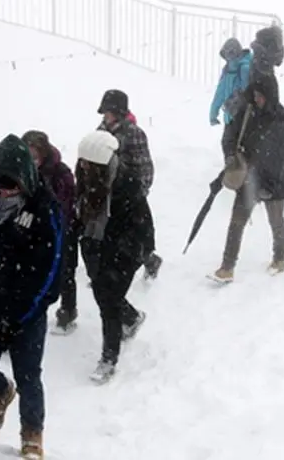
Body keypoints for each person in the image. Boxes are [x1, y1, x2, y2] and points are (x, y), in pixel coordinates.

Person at [0, 134, 62, 460]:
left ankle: (32, 433)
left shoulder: (43, 208)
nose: (2, 192)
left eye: (10, 186)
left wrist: (21, 315)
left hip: (27, 312)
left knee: (29, 376)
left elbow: (50, 270)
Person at [75, 130, 153, 384]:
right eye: (82, 162)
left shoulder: (125, 183)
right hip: (94, 244)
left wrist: (140, 251)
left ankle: (109, 357)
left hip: (122, 250)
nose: (83, 167)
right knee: (103, 294)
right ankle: (131, 317)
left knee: (108, 301)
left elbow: (143, 220)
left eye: (88, 163)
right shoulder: (87, 178)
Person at [210, 77, 284, 283]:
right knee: (237, 221)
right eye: (254, 95)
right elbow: (230, 133)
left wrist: (270, 185)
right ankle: (227, 267)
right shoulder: (247, 111)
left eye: (260, 96)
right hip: (249, 176)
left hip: (275, 181)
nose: (256, 99)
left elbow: (283, 157)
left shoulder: (283, 120)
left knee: (276, 220)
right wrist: (230, 154)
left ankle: (279, 259)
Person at [96, 89, 162, 281]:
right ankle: (105, 272)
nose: (105, 116)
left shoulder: (133, 133)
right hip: (107, 191)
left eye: (109, 111)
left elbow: (145, 167)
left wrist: (138, 194)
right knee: (107, 233)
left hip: (128, 194)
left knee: (132, 236)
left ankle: (149, 260)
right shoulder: (101, 131)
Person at [22, 130, 79, 335]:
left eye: (35, 154)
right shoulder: (22, 171)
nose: (33, 159)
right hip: (31, 231)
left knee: (65, 271)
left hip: (62, 229)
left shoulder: (60, 172)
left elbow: (64, 203)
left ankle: (68, 312)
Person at [209, 37, 253, 129]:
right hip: (229, 117)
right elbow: (220, 92)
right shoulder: (227, 70)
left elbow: (246, 93)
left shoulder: (244, 69)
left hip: (242, 118)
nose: (229, 57)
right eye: (227, 54)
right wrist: (213, 112)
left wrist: (234, 103)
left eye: (231, 53)